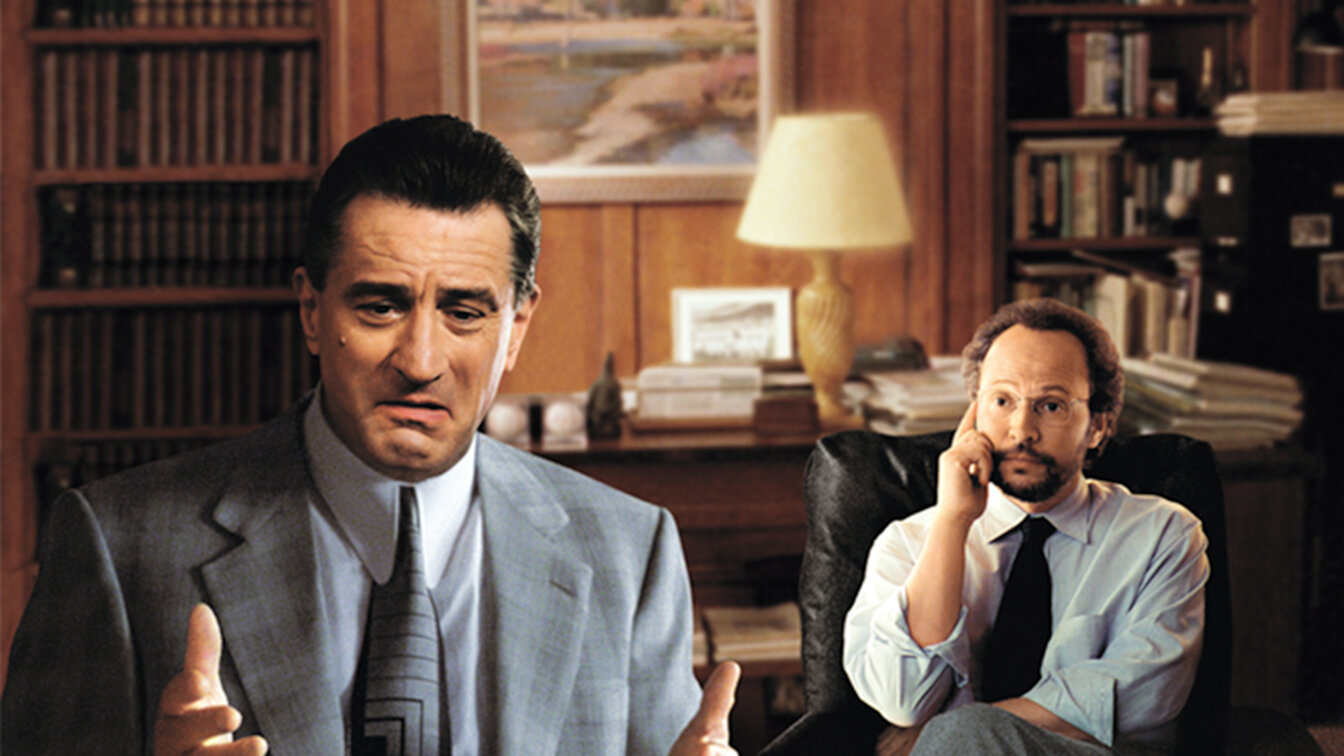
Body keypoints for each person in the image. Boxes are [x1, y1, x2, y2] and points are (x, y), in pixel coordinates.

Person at [3, 114, 739, 756]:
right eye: (381, 307)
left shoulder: (628, 552)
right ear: (311, 310)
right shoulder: (119, 544)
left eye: (464, 313)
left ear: (516, 327)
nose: (420, 361)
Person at [843, 298, 1209, 755]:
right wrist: (953, 521)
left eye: (1051, 406)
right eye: (1002, 401)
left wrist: (958, 732)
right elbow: (903, 700)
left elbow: (1143, 696)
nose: (1021, 429)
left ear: (1097, 426)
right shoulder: (909, 543)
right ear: (974, 415)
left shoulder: (1163, 536)